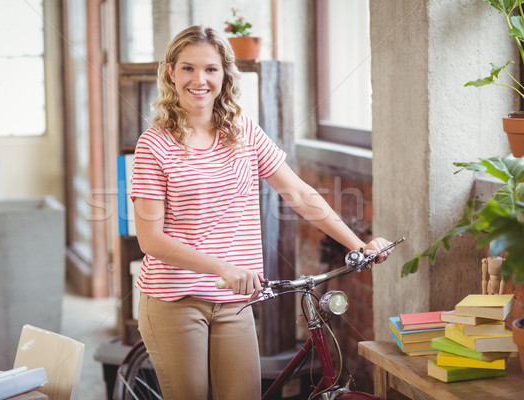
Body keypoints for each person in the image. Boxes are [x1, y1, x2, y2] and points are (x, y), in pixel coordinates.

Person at [130, 25, 393, 400]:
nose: (199, 80)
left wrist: (359, 244)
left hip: (235, 302)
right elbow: (151, 239)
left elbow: (299, 194)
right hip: (175, 299)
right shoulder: (154, 144)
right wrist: (223, 267)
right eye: (188, 68)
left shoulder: (243, 131)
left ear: (224, 74)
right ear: (171, 72)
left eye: (210, 69)